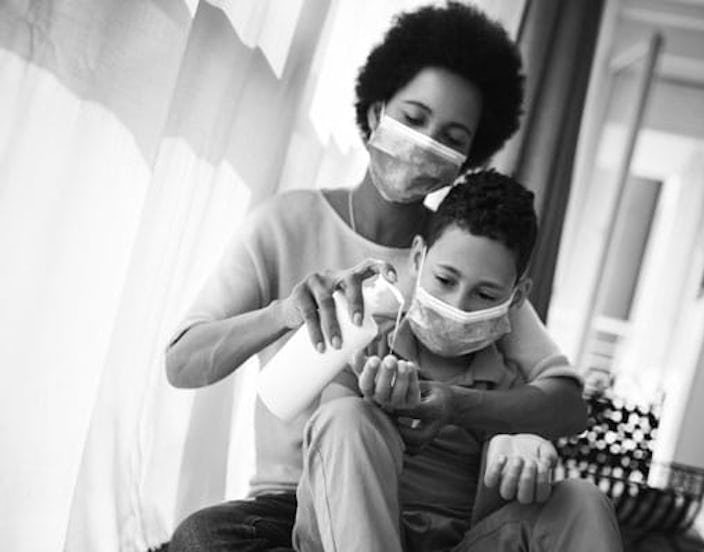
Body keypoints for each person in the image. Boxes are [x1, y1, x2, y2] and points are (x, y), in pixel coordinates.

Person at [166, 3, 603, 550]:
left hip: (431, 509)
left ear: (466, 158)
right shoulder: (288, 222)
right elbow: (181, 363)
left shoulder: (462, 264)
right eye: (414, 118)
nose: (425, 142)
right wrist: (282, 314)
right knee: (207, 538)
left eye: (451, 135)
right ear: (375, 113)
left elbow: (564, 402)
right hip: (295, 499)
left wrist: (457, 406)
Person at [294, 171, 622, 551]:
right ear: (418, 257)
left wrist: (524, 459)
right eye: (445, 280)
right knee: (347, 417)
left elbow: (547, 428)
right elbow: (329, 452)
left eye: (484, 294)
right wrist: (371, 399)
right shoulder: (366, 343)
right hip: (352, 535)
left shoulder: (513, 391)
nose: (458, 306)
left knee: (582, 500)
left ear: (515, 300)